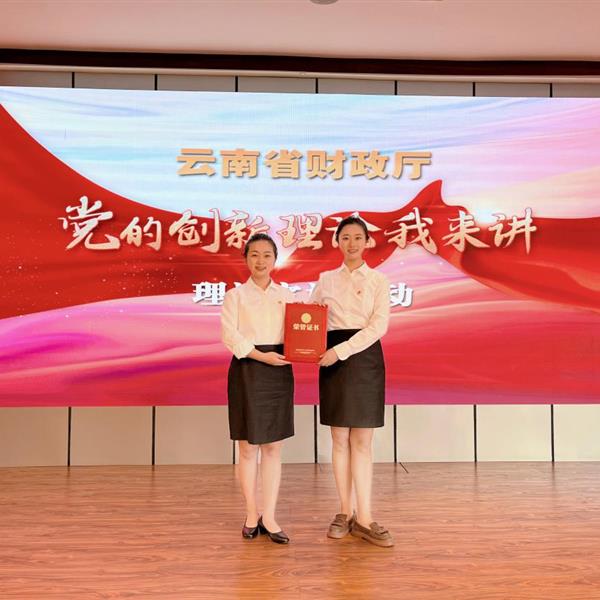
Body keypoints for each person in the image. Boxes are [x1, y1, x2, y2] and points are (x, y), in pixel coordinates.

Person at [310, 216, 393, 548]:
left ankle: (365, 517)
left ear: (367, 241)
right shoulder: (325, 280)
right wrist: (309, 344)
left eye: (358, 237)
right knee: (339, 439)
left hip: (364, 359)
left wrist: (340, 351)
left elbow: (378, 326)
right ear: (337, 242)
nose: (352, 243)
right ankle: (344, 512)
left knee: (362, 441)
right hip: (332, 360)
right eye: (345, 237)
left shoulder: (378, 280)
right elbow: (309, 318)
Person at [221, 233, 294, 544]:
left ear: (275, 259)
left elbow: (300, 330)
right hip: (248, 369)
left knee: (273, 447)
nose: (260, 261)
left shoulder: (287, 295)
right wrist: (261, 356)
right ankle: (252, 514)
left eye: (267, 255)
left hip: (279, 370)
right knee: (247, 447)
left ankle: (271, 516)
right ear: (246, 259)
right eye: (254, 255)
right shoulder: (235, 296)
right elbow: (230, 335)